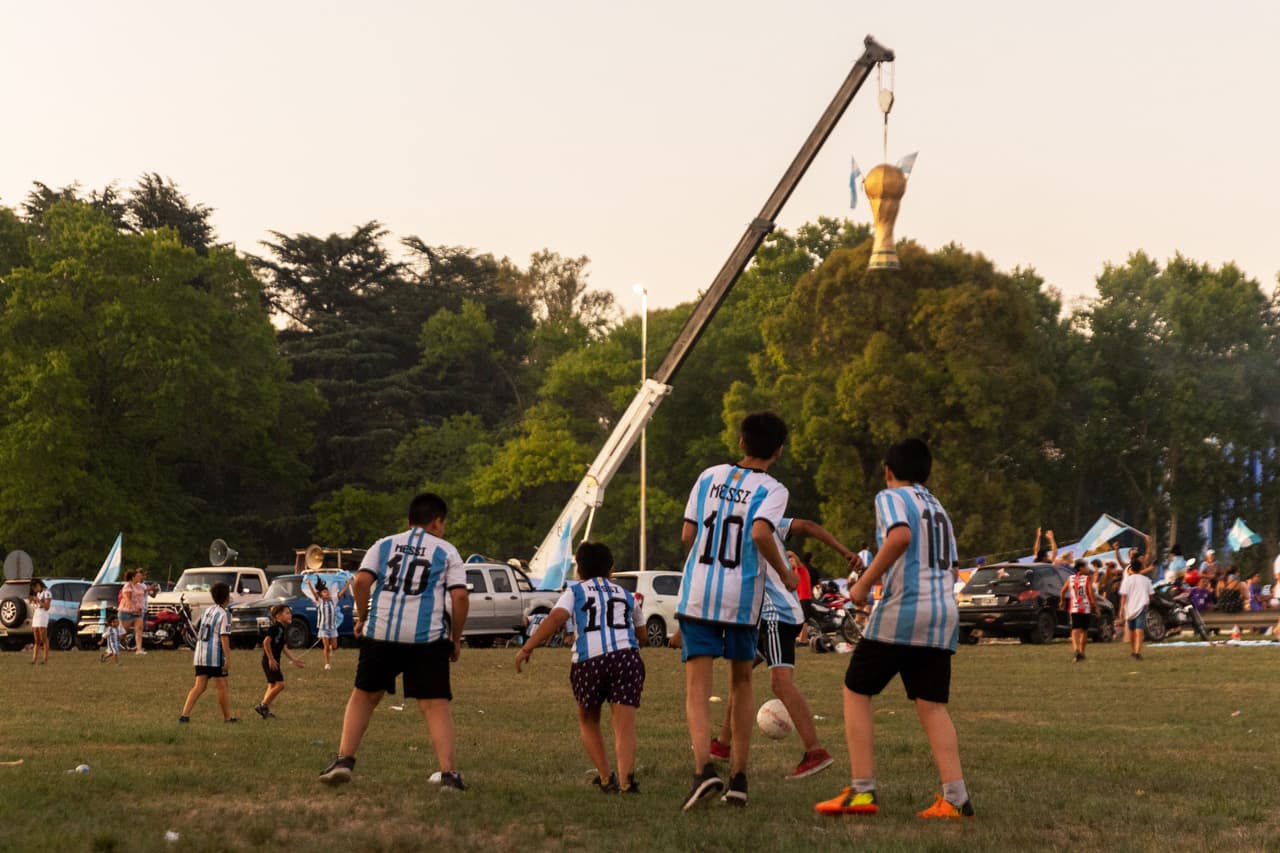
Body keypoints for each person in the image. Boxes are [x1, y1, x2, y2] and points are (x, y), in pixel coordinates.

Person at [816, 438, 973, 820]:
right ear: (927, 473)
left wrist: (864, 584)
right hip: (942, 613)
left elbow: (900, 536)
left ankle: (862, 791)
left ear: (889, 471)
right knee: (932, 705)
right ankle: (956, 797)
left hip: (905, 609)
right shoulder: (939, 507)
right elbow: (951, 567)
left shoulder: (892, 497)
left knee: (856, 690)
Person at [676, 411, 794, 810]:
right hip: (742, 598)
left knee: (698, 688)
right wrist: (786, 573)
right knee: (741, 683)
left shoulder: (708, 476)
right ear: (777, 451)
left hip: (698, 595)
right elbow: (761, 532)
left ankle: (703, 770)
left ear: (741, 443)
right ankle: (739, 779)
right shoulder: (774, 490)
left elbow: (688, 535)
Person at [319, 493, 469, 790]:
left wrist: (362, 618)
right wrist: (455, 638)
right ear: (438, 521)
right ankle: (449, 775)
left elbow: (361, 582)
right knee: (434, 704)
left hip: (382, 633)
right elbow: (460, 596)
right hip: (426, 638)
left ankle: (344, 760)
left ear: (409, 520)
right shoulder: (447, 550)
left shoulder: (384, 544)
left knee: (364, 695)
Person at [515, 541, 647, 794]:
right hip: (626, 658)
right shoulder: (627, 596)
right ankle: (628, 782)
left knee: (588, 720)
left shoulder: (575, 592)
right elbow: (641, 635)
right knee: (624, 725)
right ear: (611, 570)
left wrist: (527, 647)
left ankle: (607, 778)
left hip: (589, 661)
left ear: (579, 572)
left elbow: (556, 618)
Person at [712, 541, 840, 781]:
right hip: (767, 618)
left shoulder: (757, 527)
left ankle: (815, 751)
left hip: (776, 617)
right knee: (740, 674)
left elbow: (805, 526)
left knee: (780, 683)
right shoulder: (753, 529)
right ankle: (722, 744)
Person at [179, 582, 236, 723]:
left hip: (200, 654)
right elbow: (224, 636)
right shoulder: (225, 614)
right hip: (214, 656)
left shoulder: (208, 610)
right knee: (222, 686)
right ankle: (227, 718)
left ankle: (184, 715)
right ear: (227, 597)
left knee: (199, 686)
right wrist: (227, 658)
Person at [256, 605, 305, 719]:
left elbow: (283, 647)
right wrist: (271, 659)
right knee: (280, 685)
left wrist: (294, 660)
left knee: (272, 685)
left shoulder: (282, 629)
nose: (290, 615)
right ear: (278, 616)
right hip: (270, 661)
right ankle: (263, 705)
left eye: (290, 613)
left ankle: (265, 710)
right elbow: (266, 642)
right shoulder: (275, 628)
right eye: (287, 613)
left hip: (272, 660)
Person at [306, 576, 349, 671]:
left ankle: (330, 648)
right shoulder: (319, 601)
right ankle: (327, 664)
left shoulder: (333, 600)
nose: (327, 593)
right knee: (325, 646)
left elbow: (341, 592)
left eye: (328, 592)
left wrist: (348, 583)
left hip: (333, 628)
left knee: (334, 646)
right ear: (320, 595)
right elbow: (313, 593)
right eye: (325, 592)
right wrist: (309, 583)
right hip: (323, 628)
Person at [1059, 559, 1096, 663]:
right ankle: (1082, 652)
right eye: (1086, 567)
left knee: (1075, 630)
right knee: (1084, 631)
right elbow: (1091, 594)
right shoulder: (1087, 579)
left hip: (1074, 608)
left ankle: (1076, 650)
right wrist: (1094, 605)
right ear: (1080, 568)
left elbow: (1062, 591)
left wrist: (1061, 602)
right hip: (1085, 607)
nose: (1087, 569)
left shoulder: (1070, 579)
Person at [1118, 556, 1154, 661]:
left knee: (1132, 631)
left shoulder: (1127, 581)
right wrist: (1148, 602)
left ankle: (1134, 651)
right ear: (1141, 567)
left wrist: (1121, 609)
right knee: (1139, 631)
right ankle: (1137, 652)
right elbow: (1151, 595)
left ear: (1131, 568)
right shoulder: (1146, 580)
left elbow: (1123, 596)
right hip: (1142, 606)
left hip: (1129, 608)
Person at [118, 569, 149, 655]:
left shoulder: (139, 586)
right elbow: (127, 599)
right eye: (138, 576)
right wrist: (133, 608)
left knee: (139, 629)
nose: (140, 577)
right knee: (123, 632)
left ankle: (139, 649)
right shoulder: (128, 586)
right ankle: (112, 644)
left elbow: (146, 591)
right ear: (133, 577)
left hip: (138, 612)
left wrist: (153, 588)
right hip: (126, 612)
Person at [28, 579, 51, 665]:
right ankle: (34, 659)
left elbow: (47, 607)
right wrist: (33, 600)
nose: (34, 590)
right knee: (36, 639)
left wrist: (38, 600)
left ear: (38, 585)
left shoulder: (47, 593)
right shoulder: (37, 593)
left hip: (43, 614)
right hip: (36, 614)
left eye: (35, 588)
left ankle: (45, 659)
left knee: (43, 638)